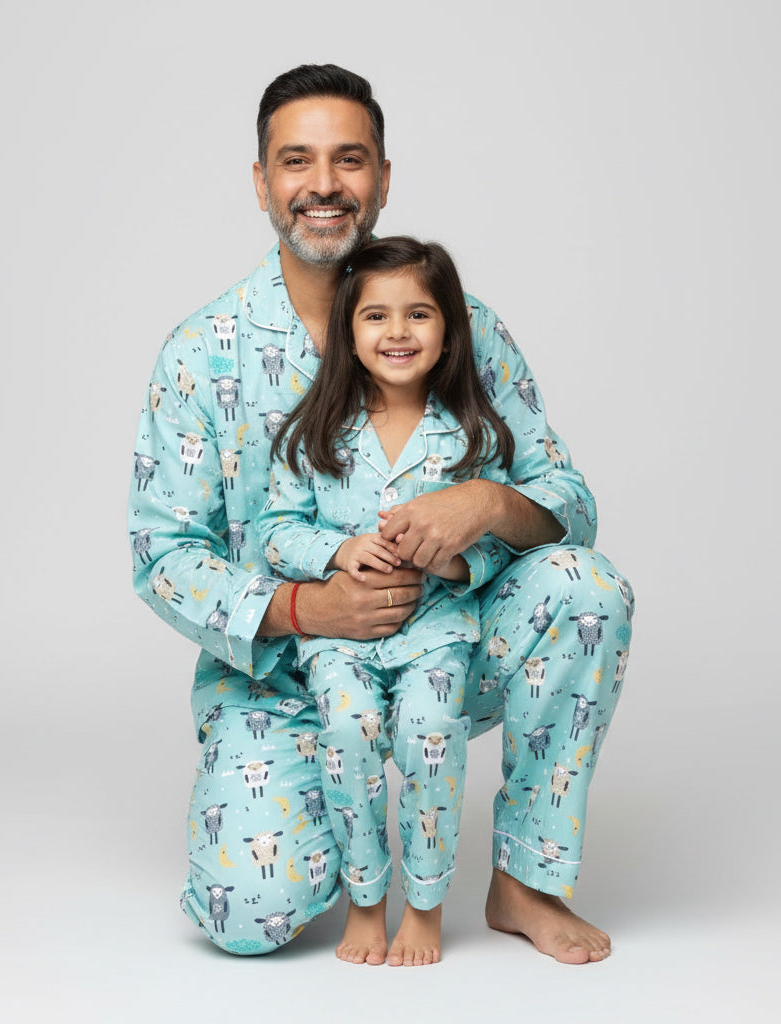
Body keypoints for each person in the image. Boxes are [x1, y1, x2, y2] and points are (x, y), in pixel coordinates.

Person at [128, 63, 633, 966]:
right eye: (296, 162)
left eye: (349, 159)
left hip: (446, 643)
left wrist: (486, 503)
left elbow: (571, 505)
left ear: (384, 178)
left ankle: (526, 879)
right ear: (261, 183)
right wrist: (302, 609)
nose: (324, 184)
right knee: (244, 914)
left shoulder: (462, 328)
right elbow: (162, 554)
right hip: (286, 681)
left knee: (584, 588)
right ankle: (331, 833)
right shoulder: (202, 352)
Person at [257, 236, 516, 965]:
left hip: (436, 628)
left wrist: (458, 562)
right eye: (376, 316)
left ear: (449, 331)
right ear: (348, 331)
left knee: (432, 739)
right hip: (340, 637)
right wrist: (336, 551)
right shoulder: (313, 433)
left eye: (419, 315)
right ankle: (366, 901)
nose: (397, 332)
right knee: (349, 734)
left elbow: (498, 546)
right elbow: (277, 533)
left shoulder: (474, 436)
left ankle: (425, 906)